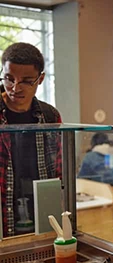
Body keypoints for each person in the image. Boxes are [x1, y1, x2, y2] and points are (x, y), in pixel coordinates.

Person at [0, 42, 62, 237]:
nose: (15, 88)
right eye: (9, 78)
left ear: (40, 79)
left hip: (42, 219)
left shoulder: (50, 116)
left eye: (26, 81)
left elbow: (59, 172)